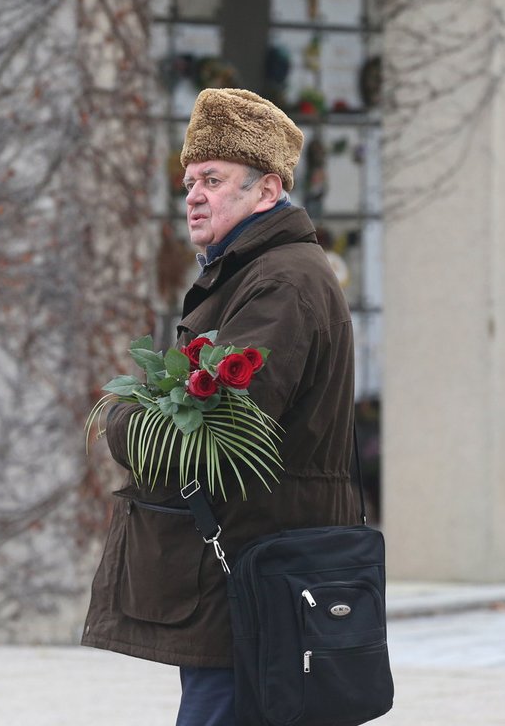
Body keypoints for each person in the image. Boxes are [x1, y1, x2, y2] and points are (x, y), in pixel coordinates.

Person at [82, 88, 360, 725]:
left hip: (252, 569)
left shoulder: (281, 280)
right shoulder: (253, 271)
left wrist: (123, 420)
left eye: (213, 179)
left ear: (267, 191)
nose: (194, 195)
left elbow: (216, 424)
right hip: (248, 568)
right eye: (188, 182)